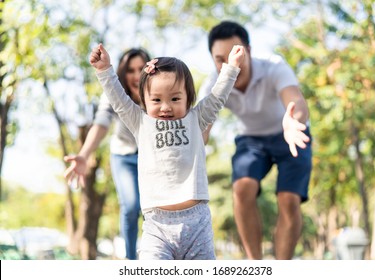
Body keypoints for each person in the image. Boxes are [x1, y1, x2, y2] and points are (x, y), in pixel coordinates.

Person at [89, 43, 244, 260]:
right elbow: (118, 100)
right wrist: (104, 69)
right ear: (144, 100)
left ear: (188, 99)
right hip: (157, 227)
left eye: (175, 99)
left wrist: (231, 69)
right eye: (156, 100)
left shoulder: (196, 119)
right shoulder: (140, 122)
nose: (165, 107)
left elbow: (217, 97)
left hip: (197, 223)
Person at [200, 21, 312, 260]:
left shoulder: (273, 66)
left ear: (248, 51)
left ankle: (281, 268)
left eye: (235, 55)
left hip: (289, 132)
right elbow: (201, 129)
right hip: (251, 139)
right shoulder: (213, 83)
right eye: (219, 59)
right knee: (242, 188)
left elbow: (296, 101)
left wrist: (294, 120)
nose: (228, 65)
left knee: (289, 200)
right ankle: (255, 266)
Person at [63, 48, 151, 260]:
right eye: (130, 70)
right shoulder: (114, 91)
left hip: (152, 157)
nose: (136, 75)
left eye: (141, 69)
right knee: (131, 206)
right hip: (124, 156)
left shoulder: (157, 90)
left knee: (152, 208)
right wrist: (84, 155)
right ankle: (131, 263)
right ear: (122, 72)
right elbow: (101, 123)